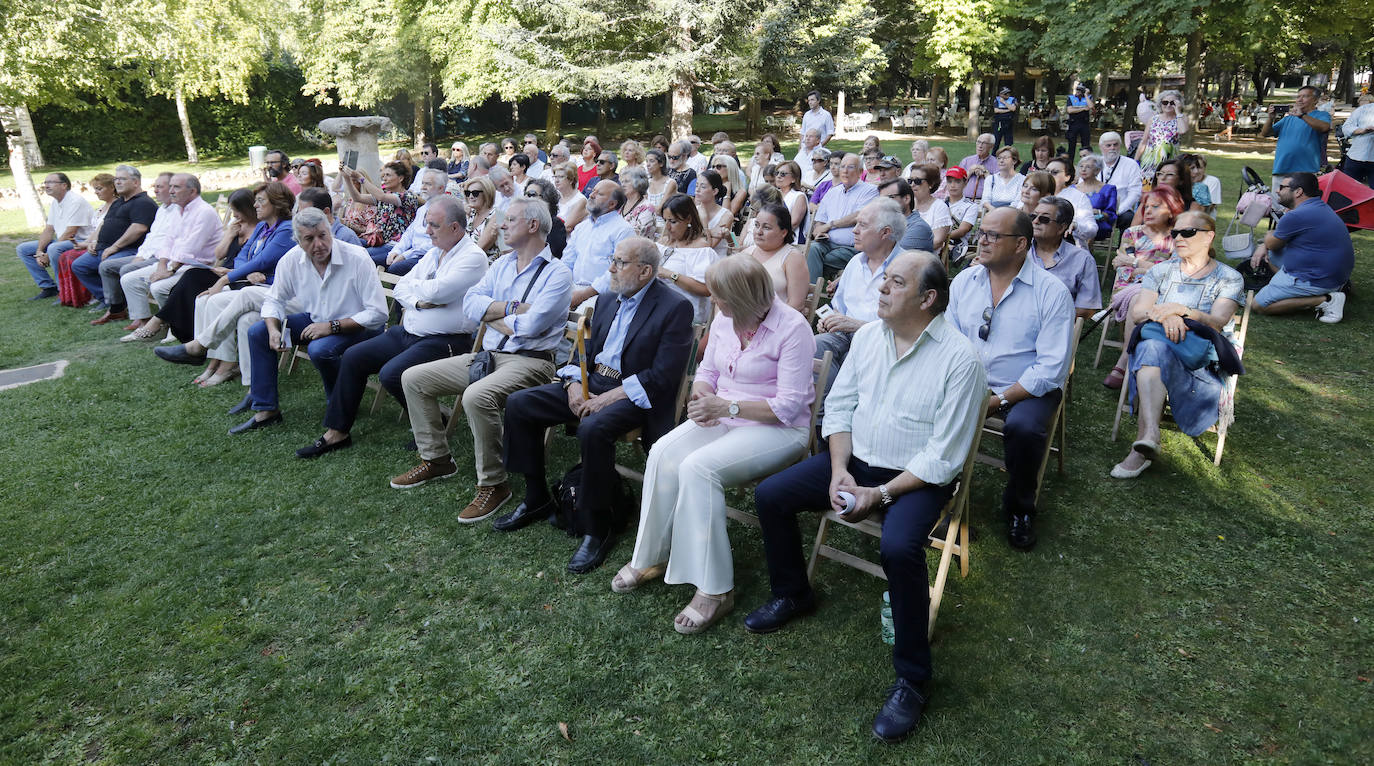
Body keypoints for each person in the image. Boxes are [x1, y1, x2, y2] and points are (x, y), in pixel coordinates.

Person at [745, 250, 986, 744]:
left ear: (928, 298)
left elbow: (944, 457)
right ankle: (794, 592)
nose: (881, 288)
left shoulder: (961, 359)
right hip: (854, 462)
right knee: (772, 495)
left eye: (894, 282)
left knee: (898, 548)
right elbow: (839, 406)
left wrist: (880, 493)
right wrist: (837, 472)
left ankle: (913, 679)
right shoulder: (870, 337)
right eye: (883, 281)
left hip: (915, 478)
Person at [613, 254, 817, 634]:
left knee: (698, 467)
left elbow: (789, 406)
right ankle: (651, 556)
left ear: (741, 297)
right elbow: (706, 369)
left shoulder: (793, 328)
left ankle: (716, 589)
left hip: (778, 428)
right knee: (662, 451)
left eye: (720, 297)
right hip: (723, 412)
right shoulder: (725, 319)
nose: (713, 302)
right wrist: (703, 393)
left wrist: (727, 404)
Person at [500, 237, 695, 572]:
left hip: (634, 394)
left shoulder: (675, 307)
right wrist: (575, 383)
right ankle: (535, 497)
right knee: (520, 404)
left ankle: (597, 525)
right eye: (613, 259)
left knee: (592, 428)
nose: (611, 268)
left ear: (645, 271)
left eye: (620, 262)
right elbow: (582, 349)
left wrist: (610, 396)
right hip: (592, 384)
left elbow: (663, 375)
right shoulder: (605, 299)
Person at [391, 198, 574, 526]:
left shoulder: (558, 274)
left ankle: (494, 484)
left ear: (533, 226)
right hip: (487, 356)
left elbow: (531, 327)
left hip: (531, 362)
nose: (501, 225)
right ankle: (437, 460)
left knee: (478, 396)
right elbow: (471, 305)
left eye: (510, 219)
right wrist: (513, 309)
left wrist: (493, 314)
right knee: (413, 378)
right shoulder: (503, 264)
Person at [291, 195, 489, 459]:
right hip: (408, 332)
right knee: (354, 357)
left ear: (455, 228)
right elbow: (402, 285)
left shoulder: (473, 257)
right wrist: (420, 301)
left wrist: (420, 294)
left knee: (391, 373)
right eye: (427, 223)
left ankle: (431, 424)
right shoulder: (434, 253)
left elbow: (439, 292)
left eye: (433, 225)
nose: (426, 230)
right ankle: (337, 432)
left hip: (447, 340)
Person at [946, 207, 1074, 550]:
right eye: (981, 233)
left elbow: (1051, 368)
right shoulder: (964, 281)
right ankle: (938, 495)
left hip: (1027, 387)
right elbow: (949, 340)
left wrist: (1000, 400)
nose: (981, 241)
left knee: (1024, 428)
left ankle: (1020, 508)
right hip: (970, 378)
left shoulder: (1051, 291)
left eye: (992, 235)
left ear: (1020, 245)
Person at [229, 208, 388, 435]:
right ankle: (266, 410)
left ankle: (340, 404)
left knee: (320, 348)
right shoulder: (291, 260)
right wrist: (274, 329)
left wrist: (332, 327)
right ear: (298, 241)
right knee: (258, 332)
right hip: (317, 319)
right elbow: (274, 300)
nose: (319, 244)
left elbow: (379, 313)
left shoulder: (357, 257)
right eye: (309, 239)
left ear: (330, 231)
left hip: (361, 325)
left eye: (323, 235)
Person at [1111, 212, 1245, 479]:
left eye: (1188, 232)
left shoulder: (1229, 278)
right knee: (1152, 349)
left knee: (1152, 350)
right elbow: (1139, 314)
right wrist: (1167, 315)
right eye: (1175, 233)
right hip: (1159, 346)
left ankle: (1142, 447)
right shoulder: (1161, 271)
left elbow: (1217, 322)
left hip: (1200, 357)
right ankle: (1149, 435)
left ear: (1209, 236)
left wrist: (1185, 311)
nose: (1179, 238)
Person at [118, 174, 225, 342]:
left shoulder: (204, 212)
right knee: (129, 280)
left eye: (176, 187)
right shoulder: (177, 210)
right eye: (171, 186)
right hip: (175, 264)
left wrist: (170, 269)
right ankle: (146, 323)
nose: (171, 191)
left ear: (192, 191)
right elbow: (168, 241)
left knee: (159, 287)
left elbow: (191, 248)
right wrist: (162, 265)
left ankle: (172, 326)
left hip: (198, 266)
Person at [815, 198, 908, 372]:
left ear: (885, 232)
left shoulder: (907, 268)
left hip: (882, 343)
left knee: (853, 359)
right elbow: (839, 307)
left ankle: (839, 397)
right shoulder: (855, 262)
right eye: (856, 224)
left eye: (863, 225)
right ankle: (826, 398)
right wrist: (829, 321)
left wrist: (859, 326)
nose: (854, 231)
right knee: (814, 346)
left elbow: (906, 329)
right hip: (843, 336)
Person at [1103, 187, 1183, 388]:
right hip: (1127, 290)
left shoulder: (1177, 238)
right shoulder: (1132, 233)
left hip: (1162, 294)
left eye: (1155, 207)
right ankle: (1129, 361)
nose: (1147, 211)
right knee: (1138, 297)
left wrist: (1138, 264)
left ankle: (1125, 360)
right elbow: (1123, 270)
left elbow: (1173, 272)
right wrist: (1148, 270)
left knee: (1140, 296)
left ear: (1172, 211)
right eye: (1146, 206)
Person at [1250, 172, 1353, 323]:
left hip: (1319, 279)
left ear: (1298, 192)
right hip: (1336, 275)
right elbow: (1275, 243)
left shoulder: (1296, 216)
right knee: (1272, 255)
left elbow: (1271, 243)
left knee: (1258, 305)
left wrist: (1264, 241)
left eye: (1282, 187)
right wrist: (1266, 244)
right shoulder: (1319, 207)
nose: (1277, 191)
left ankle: (1325, 300)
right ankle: (1316, 291)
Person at [76, 168, 164, 323]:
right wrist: (93, 241)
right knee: (80, 265)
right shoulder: (118, 202)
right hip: (104, 247)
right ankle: (108, 300)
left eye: (122, 179)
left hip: (129, 249)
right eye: (116, 179)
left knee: (107, 265)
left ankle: (116, 306)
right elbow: (104, 223)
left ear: (136, 182)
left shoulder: (143, 203)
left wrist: (115, 247)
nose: (117, 182)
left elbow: (139, 228)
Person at [17, 172, 94, 300]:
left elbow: (71, 231)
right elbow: (49, 229)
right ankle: (48, 287)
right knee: (23, 248)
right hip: (63, 240)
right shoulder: (55, 203)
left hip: (80, 241)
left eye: (51, 182)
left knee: (53, 249)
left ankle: (63, 291)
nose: (46, 185)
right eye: (45, 183)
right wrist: (39, 251)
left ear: (64, 185)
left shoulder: (75, 201)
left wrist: (48, 253)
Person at [806, 153, 879, 279]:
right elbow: (820, 221)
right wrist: (819, 232)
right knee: (813, 249)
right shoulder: (832, 192)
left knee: (826, 258)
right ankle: (811, 294)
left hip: (852, 247)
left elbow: (859, 216)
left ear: (860, 171)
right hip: (827, 242)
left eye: (850, 167)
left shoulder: (870, 190)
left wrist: (830, 225)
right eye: (842, 166)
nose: (845, 171)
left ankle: (815, 288)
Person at [565, 180, 634, 309]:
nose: (591, 195)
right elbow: (567, 262)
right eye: (593, 191)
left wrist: (584, 294)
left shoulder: (623, 230)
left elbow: (618, 272)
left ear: (612, 204)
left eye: (599, 194)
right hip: (571, 287)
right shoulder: (581, 227)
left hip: (600, 293)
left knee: (577, 323)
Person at [1029, 197, 1102, 319]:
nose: (1035, 221)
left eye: (1044, 219)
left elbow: (1086, 309)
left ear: (1061, 227)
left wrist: (1051, 318)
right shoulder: (1018, 251)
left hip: (1056, 327)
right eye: (1033, 216)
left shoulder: (1082, 260)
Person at [339, 161, 423, 265]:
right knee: (346, 244)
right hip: (378, 241)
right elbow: (357, 197)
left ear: (400, 178)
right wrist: (346, 178)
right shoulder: (386, 195)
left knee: (360, 257)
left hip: (394, 246)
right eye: (383, 175)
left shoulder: (407, 197)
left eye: (388, 175)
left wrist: (360, 178)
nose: (384, 178)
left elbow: (381, 197)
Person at [655, 194, 721, 322]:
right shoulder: (661, 243)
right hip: (656, 309)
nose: (667, 227)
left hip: (683, 315)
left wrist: (670, 274)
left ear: (688, 219)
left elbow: (705, 289)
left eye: (673, 222)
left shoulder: (701, 249)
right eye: (665, 221)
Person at [737, 200, 809, 314]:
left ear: (783, 232)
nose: (758, 232)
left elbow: (796, 304)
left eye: (766, 227)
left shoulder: (793, 258)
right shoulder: (746, 254)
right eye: (756, 225)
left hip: (776, 323)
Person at [57, 173, 115, 308]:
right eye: (95, 189)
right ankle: (72, 296)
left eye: (99, 189)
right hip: (93, 243)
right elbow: (95, 231)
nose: (96, 192)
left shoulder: (116, 206)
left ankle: (101, 296)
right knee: (65, 256)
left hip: (106, 245)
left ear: (112, 188)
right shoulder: (102, 207)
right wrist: (84, 243)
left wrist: (90, 243)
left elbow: (104, 230)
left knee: (73, 258)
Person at [381, 168, 449, 276]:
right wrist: (396, 251)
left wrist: (405, 255)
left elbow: (435, 244)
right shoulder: (422, 209)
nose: (423, 188)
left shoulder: (445, 211)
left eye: (428, 184)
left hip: (429, 256)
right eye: (422, 183)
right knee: (376, 259)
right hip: (411, 251)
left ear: (440, 188)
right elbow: (409, 233)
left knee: (395, 268)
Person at [1262, 85, 1331, 184]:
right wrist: (1270, 118)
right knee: (1280, 199)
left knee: (1303, 199)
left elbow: (1325, 127)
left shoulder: (1321, 115)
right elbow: (1265, 133)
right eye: (1298, 97)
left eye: (1305, 96)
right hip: (1282, 169)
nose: (1300, 100)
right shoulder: (1289, 118)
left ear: (1315, 100)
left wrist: (1302, 116)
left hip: (1306, 171)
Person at [1045, 157, 1099, 246]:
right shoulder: (1036, 192)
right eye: (1046, 172)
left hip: (1068, 246)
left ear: (1067, 177)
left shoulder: (1078, 197)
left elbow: (1092, 229)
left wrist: (1076, 226)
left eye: (1054, 172)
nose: (1049, 175)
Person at [1135, 90, 1187, 179]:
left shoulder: (1181, 118)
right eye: (1165, 102)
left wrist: (1178, 112)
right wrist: (1135, 161)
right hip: (1149, 162)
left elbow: (1183, 130)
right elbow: (1144, 141)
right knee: (1147, 189)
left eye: (1172, 103)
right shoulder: (1153, 119)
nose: (1168, 105)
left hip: (1169, 163)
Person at [1098, 132, 1144, 231]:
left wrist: (1118, 210)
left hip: (1120, 209)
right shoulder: (1094, 163)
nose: (1112, 148)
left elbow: (1135, 192)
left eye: (1115, 144)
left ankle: (1123, 245)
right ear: (1101, 147)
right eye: (1108, 145)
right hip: (1095, 208)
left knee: (1129, 218)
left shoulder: (1131, 164)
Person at [877, 179, 935, 252]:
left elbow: (895, 256)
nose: (883, 203)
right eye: (881, 199)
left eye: (890, 197)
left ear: (906, 199)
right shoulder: (881, 223)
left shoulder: (919, 228)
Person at [909, 164, 951, 255]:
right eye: (910, 180)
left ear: (931, 184)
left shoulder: (939, 207)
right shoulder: (906, 203)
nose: (912, 184)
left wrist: (909, 249)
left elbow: (937, 242)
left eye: (917, 181)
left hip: (926, 259)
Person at [1074, 154, 1118, 240]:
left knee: (1086, 227)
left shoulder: (1108, 189)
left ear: (1097, 171)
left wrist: (1097, 212)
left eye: (1088, 167)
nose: (1083, 169)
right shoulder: (1073, 189)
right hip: (1075, 221)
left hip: (1098, 224)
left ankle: (1082, 251)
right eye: (1081, 166)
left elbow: (1111, 215)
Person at [462, 176, 505, 260]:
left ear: (486, 194)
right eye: (467, 193)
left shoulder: (497, 216)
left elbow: (478, 250)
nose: (470, 196)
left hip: (483, 267)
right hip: (464, 261)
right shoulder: (470, 214)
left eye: (475, 193)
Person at [695, 169, 735, 259]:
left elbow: (709, 246)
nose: (697, 190)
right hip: (695, 257)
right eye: (696, 185)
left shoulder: (726, 215)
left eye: (703, 187)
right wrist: (711, 232)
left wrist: (704, 222)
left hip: (717, 260)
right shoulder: (692, 210)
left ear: (714, 191)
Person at [944, 167, 980, 264]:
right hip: (940, 238)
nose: (953, 185)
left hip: (957, 241)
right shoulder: (940, 203)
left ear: (965, 182)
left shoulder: (970, 206)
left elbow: (962, 231)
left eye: (957, 181)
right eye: (950, 181)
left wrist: (941, 237)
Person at [1339, 93, 1374, 187]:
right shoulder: (1363, 109)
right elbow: (1346, 127)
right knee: (1349, 188)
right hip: (1356, 156)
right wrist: (1362, 131)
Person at [772, 160, 809, 242]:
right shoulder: (773, 195)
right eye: (776, 173)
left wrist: (772, 234)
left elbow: (793, 224)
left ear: (794, 179)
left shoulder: (799, 196)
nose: (778, 176)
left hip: (792, 240)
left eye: (783, 174)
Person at [980, 146, 1025, 211]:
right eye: (999, 158)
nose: (1001, 161)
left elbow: (1018, 201)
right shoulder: (990, 179)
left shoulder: (1022, 179)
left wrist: (1004, 213)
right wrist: (994, 211)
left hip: (1013, 213)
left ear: (1014, 161)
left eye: (1005, 158)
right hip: (993, 213)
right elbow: (985, 200)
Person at [618, 167, 658, 239]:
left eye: (627, 181)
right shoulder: (621, 205)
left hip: (638, 247)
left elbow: (638, 234)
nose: (622, 185)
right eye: (622, 182)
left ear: (638, 183)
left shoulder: (647, 208)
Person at [958, 134, 998, 201]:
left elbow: (998, 186)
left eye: (984, 143)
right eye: (978, 142)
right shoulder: (966, 161)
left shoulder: (996, 163)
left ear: (991, 146)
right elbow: (957, 183)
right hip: (964, 200)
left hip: (986, 202)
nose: (980, 146)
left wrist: (985, 172)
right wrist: (970, 171)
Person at [708, 154, 750, 219]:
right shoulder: (712, 187)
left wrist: (727, 192)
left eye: (718, 167)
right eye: (713, 167)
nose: (714, 170)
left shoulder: (741, 192)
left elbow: (726, 216)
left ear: (730, 168)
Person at [554, 164, 589, 231]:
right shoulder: (557, 197)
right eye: (555, 177)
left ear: (571, 180)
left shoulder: (580, 200)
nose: (556, 180)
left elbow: (567, 227)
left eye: (561, 177)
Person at [643, 148, 675, 217]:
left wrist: (646, 206)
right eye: (647, 161)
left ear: (661, 163)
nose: (648, 164)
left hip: (663, 223)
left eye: (651, 161)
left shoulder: (670, 183)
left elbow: (659, 211)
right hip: (647, 221)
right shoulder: (646, 183)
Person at [1065, 84, 1093, 156]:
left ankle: (1086, 161)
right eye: (1077, 90)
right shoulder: (1071, 98)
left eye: (1079, 90)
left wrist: (1086, 95)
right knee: (1071, 145)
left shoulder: (1088, 98)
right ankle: (1070, 164)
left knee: (1085, 145)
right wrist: (1083, 108)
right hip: (1073, 123)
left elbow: (1090, 106)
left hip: (1084, 123)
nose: (1077, 92)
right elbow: (1069, 110)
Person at [992, 86, 1018, 152]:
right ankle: (993, 156)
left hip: (1009, 123)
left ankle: (1008, 155)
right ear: (1000, 94)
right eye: (1005, 94)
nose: (1007, 95)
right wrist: (1008, 110)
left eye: (1008, 93)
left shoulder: (1013, 99)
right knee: (996, 141)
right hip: (999, 123)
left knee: (1008, 142)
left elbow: (1013, 109)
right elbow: (996, 110)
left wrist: (1004, 102)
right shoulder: (996, 100)